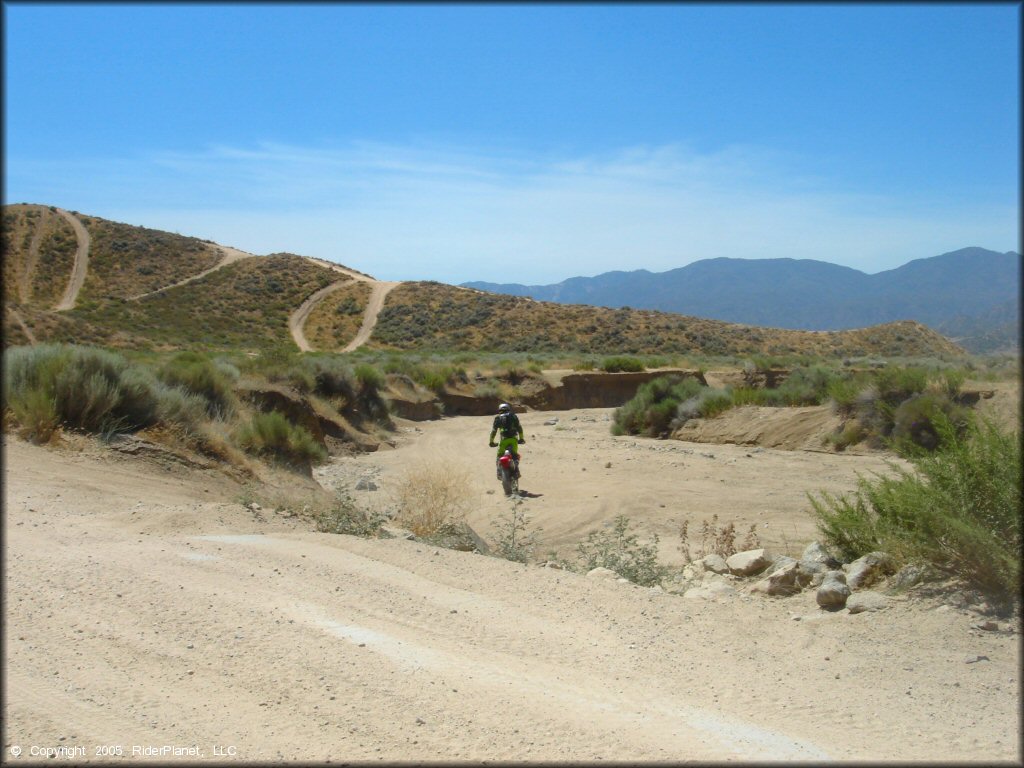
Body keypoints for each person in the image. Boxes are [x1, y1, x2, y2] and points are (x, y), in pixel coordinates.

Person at [488, 403, 525, 478]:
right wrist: (521, 439)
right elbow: (519, 428)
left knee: (499, 456)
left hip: (504, 440)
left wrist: (491, 442)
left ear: (499, 410)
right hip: (513, 440)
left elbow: (493, 431)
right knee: (515, 455)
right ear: (508, 409)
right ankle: (516, 471)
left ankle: (499, 473)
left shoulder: (498, 418)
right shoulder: (513, 416)